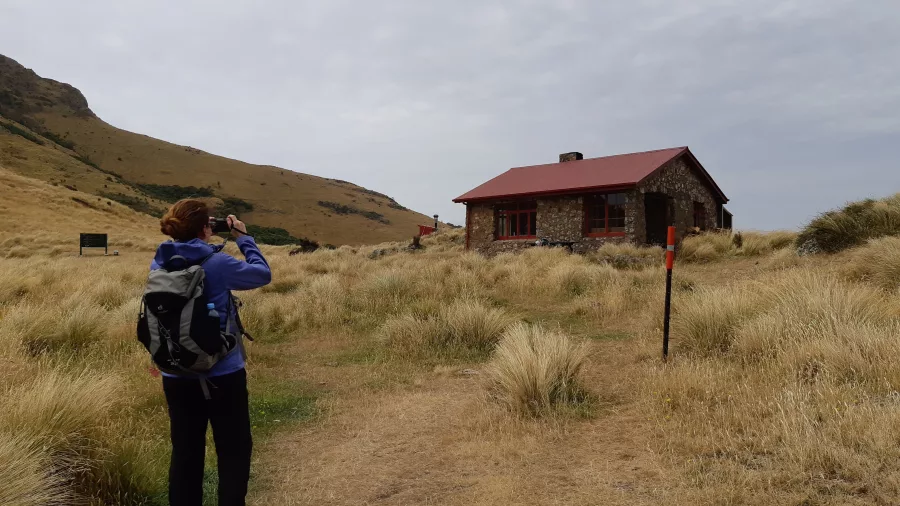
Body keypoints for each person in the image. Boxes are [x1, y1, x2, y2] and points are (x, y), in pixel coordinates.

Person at [152, 198, 271, 506]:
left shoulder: (159, 262)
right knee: (233, 449)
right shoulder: (216, 263)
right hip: (223, 372)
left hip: (175, 372)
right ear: (206, 228)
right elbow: (261, 274)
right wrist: (243, 238)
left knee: (185, 452)